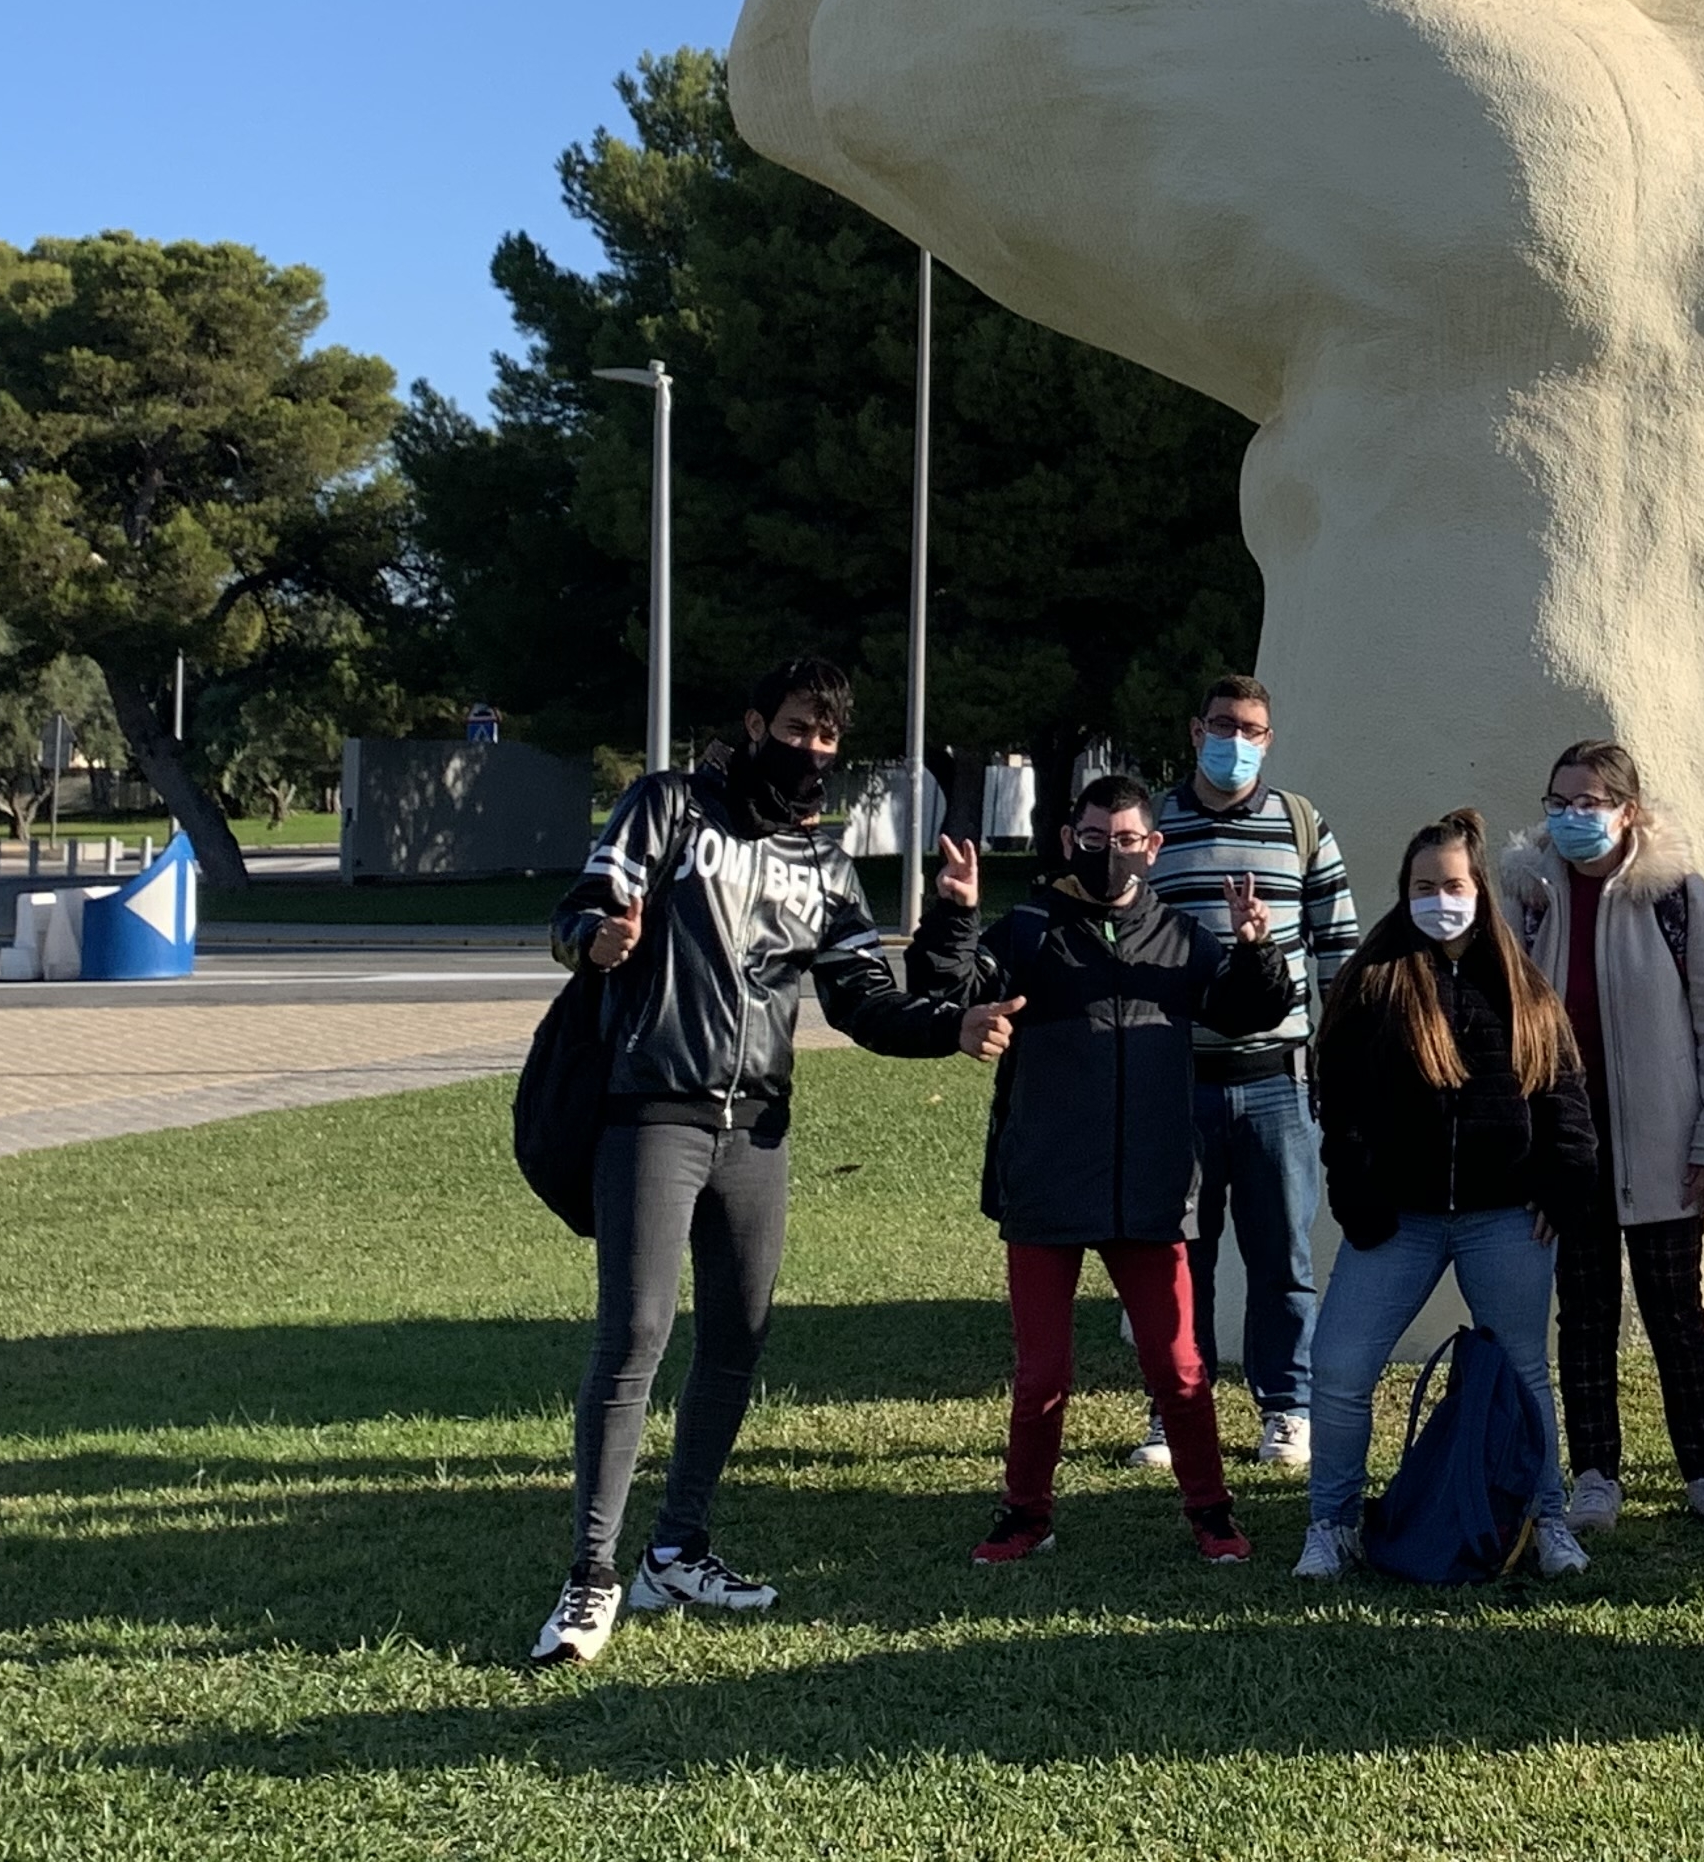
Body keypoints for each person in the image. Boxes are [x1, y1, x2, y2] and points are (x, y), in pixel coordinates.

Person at [533, 656, 989, 1669]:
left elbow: (865, 1000)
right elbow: (579, 912)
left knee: (737, 1340)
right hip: (652, 1109)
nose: (812, 751)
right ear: (752, 724)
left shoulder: (824, 864)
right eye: (795, 728)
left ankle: (678, 1550)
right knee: (635, 1335)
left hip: (760, 1129)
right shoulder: (665, 810)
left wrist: (954, 983)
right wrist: (598, 942)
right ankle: (591, 1576)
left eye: (828, 738)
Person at [914, 774, 1293, 1568]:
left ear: (1153, 849)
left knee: (1181, 1367)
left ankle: (1211, 1515)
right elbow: (946, 989)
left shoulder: (1187, 939)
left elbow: (1248, 1011)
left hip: (1153, 1188)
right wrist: (954, 912)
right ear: (1067, 841)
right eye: (1094, 838)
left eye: (1125, 840)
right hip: (1046, 1183)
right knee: (1042, 1371)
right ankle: (1025, 1516)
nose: (1110, 853)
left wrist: (1258, 948)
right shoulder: (1025, 931)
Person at [1297, 809, 1605, 1581]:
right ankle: (1331, 1523)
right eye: (1424, 885)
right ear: (1404, 892)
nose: (1441, 897)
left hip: (1506, 1220)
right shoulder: (1373, 985)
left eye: (1455, 884)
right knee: (1339, 1368)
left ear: (1480, 892)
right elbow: (1340, 1105)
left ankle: (1549, 1521)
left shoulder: (1523, 988)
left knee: (1525, 1372)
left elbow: (1564, 1096)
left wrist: (1562, 1188)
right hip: (1397, 1222)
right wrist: (1357, 1199)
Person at [1500, 740, 1704, 1531]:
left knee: (1675, 1310)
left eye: (1591, 802)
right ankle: (1595, 1475)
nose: (1574, 817)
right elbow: (1504, 1024)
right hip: (1568, 1145)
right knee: (1583, 1313)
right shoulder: (1526, 892)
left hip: (1664, 1141)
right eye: (1560, 801)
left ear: (1627, 809)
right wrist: (1531, 1157)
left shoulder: (1673, 890)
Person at [1141, 673, 1358, 1474]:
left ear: (1270, 739)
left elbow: (1339, 954)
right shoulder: (1153, 827)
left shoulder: (1301, 827)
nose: (1238, 740)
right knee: (1177, 1256)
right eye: (1224, 724)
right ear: (1196, 732)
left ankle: (1287, 1408)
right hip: (1177, 1079)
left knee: (1282, 1258)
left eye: (1254, 729)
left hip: (1279, 1082)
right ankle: (1172, 1409)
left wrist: (1339, 1061)